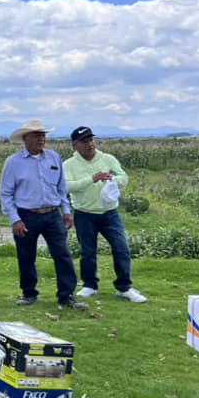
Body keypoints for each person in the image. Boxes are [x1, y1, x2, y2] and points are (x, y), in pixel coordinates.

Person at [0, 119, 86, 310]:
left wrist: (66, 211)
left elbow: (61, 187)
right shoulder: (13, 163)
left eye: (43, 135)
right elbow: (6, 193)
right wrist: (15, 219)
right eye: (37, 136)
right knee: (26, 256)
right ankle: (29, 293)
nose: (41, 139)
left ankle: (67, 295)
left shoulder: (54, 158)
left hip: (53, 214)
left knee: (62, 254)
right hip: (26, 214)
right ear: (26, 139)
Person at [63, 126, 146, 303]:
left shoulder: (108, 159)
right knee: (88, 252)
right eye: (84, 141)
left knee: (121, 248)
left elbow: (123, 177)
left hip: (110, 213)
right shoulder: (68, 165)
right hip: (85, 213)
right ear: (74, 146)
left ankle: (124, 287)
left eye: (91, 140)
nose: (89, 144)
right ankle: (89, 285)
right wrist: (92, 179)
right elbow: (67, 186)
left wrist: (112, 179)